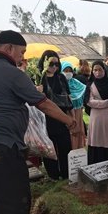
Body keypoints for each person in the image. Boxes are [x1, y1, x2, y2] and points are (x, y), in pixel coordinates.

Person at [0, 30, 79, 214]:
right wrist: (68, 120)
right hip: (1, 143)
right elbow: (43, 104)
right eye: (21, 52)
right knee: (14, 193)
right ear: (9, 48)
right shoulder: (11, 73)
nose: (22, 58)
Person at [40, 51, 74, 180]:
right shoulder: (39, 78)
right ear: (44, 63)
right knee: (49, 149)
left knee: (65, 146)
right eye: (51, 63)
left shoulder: (60, 77)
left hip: (61, 116)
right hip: (46, 118)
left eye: (56, 64)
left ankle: (66, 174)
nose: (54, 67)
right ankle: (53, 175)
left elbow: (68, 96)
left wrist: (72, 116)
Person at [84, 61, 108, 164]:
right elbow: (89, 102)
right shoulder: (90, 85)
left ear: (104, 70)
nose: (97, 72)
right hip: (97, 118)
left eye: (100, 69)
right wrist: (107, 102)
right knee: (97, 139)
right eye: (95, 70)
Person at [62, 61, 87, 150]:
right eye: (65, 70)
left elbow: (85, 92)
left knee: (78, 131)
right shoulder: (60, 84)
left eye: (70, 71)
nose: (68, 73)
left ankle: (78, 151)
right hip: (66, 113)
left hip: (78, 112)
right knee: (70, 132)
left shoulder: (77, 83)